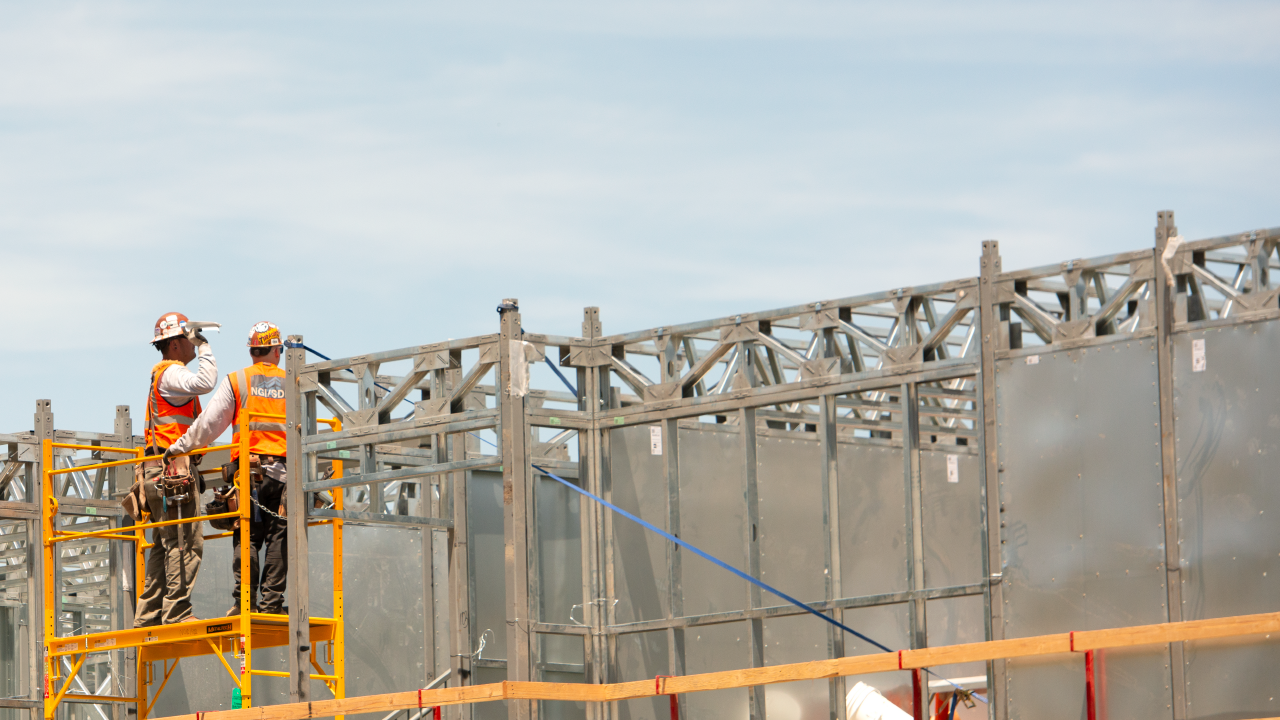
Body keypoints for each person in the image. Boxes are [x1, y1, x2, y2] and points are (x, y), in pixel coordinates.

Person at [167, 321, 288, 616]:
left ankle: (244, 603)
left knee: (247, 535)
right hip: (286, 474)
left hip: (250, 474)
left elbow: (209, 424)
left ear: (251, 352)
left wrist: (179, 448)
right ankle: (272, 605)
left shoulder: (238, 380)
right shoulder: (294, 382)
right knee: (279, 538)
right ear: (277, 350)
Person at [135, 312, 217, 627]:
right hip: (171, 473)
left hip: (160, 470)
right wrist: (206, 346)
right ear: (174, 345)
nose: (193, 343)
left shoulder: (166, 378)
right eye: (189, 338)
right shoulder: (171, 374)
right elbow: (206, 381)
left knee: (166, 542)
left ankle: (149, 614)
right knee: (185, 541)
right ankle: (177, 612)